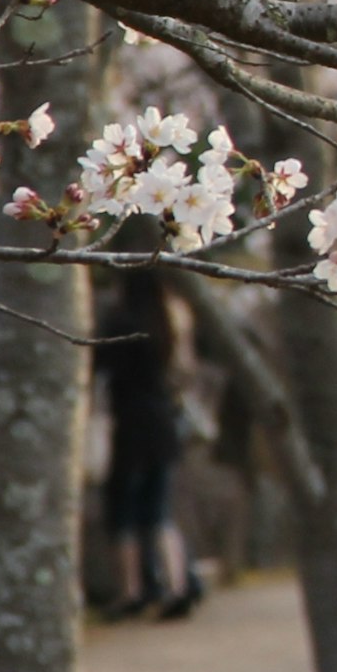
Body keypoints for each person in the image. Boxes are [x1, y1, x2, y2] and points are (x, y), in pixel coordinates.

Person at [92, 265, 199, 620]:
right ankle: (177, 583)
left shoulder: (120, 325)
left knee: (123, 512)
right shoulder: (169, 323)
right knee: (159, 513)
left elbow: (99, 369)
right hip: (163, 423)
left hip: (129, 426)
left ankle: (132, 590)